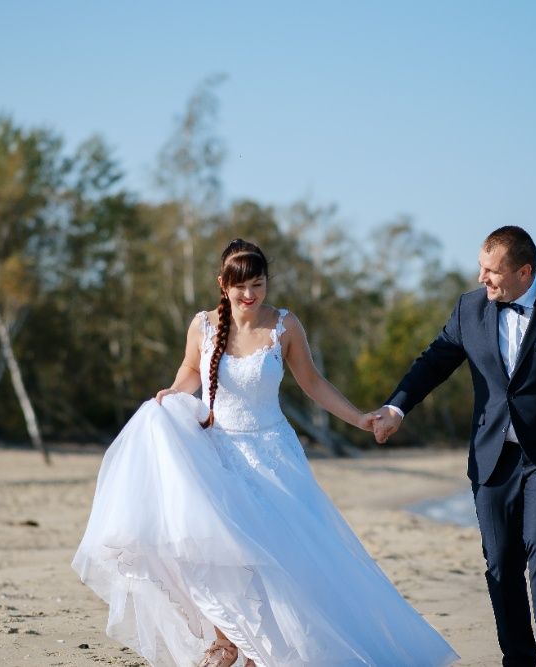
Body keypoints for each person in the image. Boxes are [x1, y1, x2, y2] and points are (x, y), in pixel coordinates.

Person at [73, 239, 459, 667]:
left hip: (273, 456)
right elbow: (189, 371)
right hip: (216, 454)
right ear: (223, 284)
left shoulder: (285, 326)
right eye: (241, 286)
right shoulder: (202, 325)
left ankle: (268, 649)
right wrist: (172, 393)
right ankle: (229, 641)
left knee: (281, 558)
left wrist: (358, 418)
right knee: (219, 552)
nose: (250, 295)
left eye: (258, 284)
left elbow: (313, 383)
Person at [372, 226, 536, 667]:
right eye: (481, 267)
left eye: (492, 270)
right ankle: (518, 659)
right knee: (501, 563)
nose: (482, 278)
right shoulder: (469, 309)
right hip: (492, 459)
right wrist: (397, 408)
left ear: (525, 271)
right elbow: (433, 362)